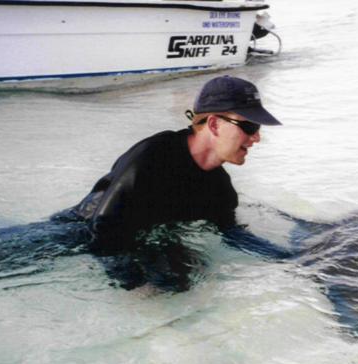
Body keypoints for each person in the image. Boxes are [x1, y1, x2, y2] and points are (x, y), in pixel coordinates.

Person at [68, 75, 282, 253]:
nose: (256, 138)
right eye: (250, 126)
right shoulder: (153, 156)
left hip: (147, 234)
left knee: (187, 277)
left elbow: (231, 234)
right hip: (77, 229)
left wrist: (290, 260)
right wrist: (134, 283)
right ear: (215, 124)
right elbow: (103, 227)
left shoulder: (221, 190)